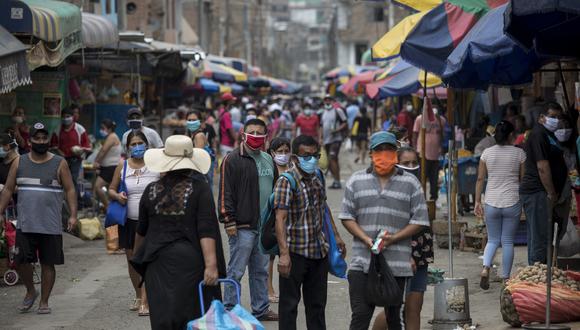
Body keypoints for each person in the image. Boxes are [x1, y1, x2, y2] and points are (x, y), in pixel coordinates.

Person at [131, 135, 225, 330]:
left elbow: (141, 231)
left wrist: (139, 262)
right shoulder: (200, 188)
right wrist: (211, 265)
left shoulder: (150, 190)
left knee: (162, 318)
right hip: (190, 263)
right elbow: (206, 228)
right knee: (192, 318)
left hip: (156, 264)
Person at [340, 131, 429, 330]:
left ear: (395, 152)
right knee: (360, 316)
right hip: (361, 263)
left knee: (393, 318)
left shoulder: (410, 183)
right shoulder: (356, 180)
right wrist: (365, 239)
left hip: (396, 264)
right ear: (371, 153)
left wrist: (394, 238)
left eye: (389, 149)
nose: (384, 154)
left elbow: (421, 219)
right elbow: (347, 216)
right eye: (379, 150)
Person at [0, 122, 77, 314]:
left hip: (50, 225)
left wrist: (74, 215)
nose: (41, 141)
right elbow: (8, 189)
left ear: (48, 140)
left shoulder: (60, 163)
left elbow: (70, 189)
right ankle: (30, 291)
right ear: (30, 140)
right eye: (37, 138)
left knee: (47, 263)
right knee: (21, 261)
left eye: (44, 138)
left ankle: (44, 301)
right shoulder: (20, 162)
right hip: (25, 223)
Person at [273, 134, 346, 330]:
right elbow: (279, 218)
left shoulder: (318, 176)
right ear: (295, 158)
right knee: (289, 306)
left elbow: (324, 206)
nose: (311, 160)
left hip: (318, 251)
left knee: (317, 306)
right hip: (295, 253)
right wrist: (284, 254)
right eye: (306, 156)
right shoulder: (286, 181)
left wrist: (336, 236)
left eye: (315, 155)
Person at [218, 118, 278, 321]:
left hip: (263, 226)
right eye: (251, 131)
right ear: (243, 134)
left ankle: (260, 309)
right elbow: (225, 191)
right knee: (236, 270)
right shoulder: (232, 159)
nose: (255, 135)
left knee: (260, 270)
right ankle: (230, 309)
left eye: (259, 132)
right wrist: (228, 220)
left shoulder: (268, 159)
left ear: (265, 136)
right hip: (242, 225)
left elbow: (275, 189)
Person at [108, 131, 160, 316]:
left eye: (140, 143)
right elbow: (111, 189)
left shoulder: (155, 165)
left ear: (147, 145)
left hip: (152, 222)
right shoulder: (122, 166)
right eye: (133, 143)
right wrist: (117, 195)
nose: (137, 146)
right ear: (128, 147)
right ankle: (139, 295)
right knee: (132, 261)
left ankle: (146, 300)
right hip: (129, 222)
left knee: (149, 260)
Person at [474, 121, 526, 289]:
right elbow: (523, 180)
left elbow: (480, 179)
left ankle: (485, 268)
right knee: (508, 241)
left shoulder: (486, 153)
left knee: (493, 239)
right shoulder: (519, 154)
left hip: (491, 201)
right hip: (512, 200)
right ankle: (505, 279)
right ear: (511, 135)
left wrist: (476, 201)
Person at [520, 102, 571, 265]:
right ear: (541, 118)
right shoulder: (538, 135)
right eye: (552, 117)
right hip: (537, 192)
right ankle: (538, 275)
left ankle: (541, 272)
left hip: (542, 194)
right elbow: (542, 167)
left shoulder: (550, 135)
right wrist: (551, 192)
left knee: (543, 235)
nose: (556, 120)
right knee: (540, 237)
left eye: (559, 117)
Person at [266, 137, 291, 304]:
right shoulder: (269, 171)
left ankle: (288, 289)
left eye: (286, 151)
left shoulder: (292, 170)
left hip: (290, 220)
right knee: (270, 256)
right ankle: (269, 288)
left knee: (287, 254)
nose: (283, 155)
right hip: (271, 218)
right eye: (279, 151)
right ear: (272, 153)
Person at [50, 106, 92, 191]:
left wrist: (79, 150)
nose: (66, 119)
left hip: (76, 160)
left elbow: (87, 147)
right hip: (61, 160)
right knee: (60, 180)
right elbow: (53, 146)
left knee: (74, 181)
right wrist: (59, 152)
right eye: (64, 116)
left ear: (73, 117)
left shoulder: (80, 129)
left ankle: (74, 202)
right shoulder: (57, 129)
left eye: (68, 116)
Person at [413, 109, 447, 201]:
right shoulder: (420, 119)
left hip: (436, 154)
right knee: (422, 177)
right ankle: (420, 197)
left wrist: (442, 149)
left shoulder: (442, 120)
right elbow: (415, 134)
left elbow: (444, 135)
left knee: (434, 177)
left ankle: (433, 198)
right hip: (422, 153)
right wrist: (415, 149)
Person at [93, 119, 122, 210]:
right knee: (108, 189)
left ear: (109, 129)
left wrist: (96, 161)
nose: (101, 130)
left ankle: (108, 207)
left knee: (98, 187)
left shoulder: (112, 137)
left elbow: (103, 151)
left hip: (111, 167)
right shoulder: (110, 136)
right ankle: (108, 207)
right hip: (107, 167)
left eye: (103, 128)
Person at [321, 94, 348, 189]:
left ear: (333, 101)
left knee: (332, 158)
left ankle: (337, 181)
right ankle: (336, 180)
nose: (327, 101)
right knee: (331, 160)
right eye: (326, 100)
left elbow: (345, 122)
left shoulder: (338, 111)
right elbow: (321, 126)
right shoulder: (322, 112)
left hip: (336, 139)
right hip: (326, 140)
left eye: (329, 99)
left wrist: (337, 130)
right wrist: (321, 139)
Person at [186, 111, 216, 188]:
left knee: (205, 190)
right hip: (203, 167)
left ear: (200, 121)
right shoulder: (192, 134)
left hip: (203, 168)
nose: (191, 122)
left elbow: (197, 156)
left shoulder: (198, 135)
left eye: (194, 120)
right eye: (189, 120)